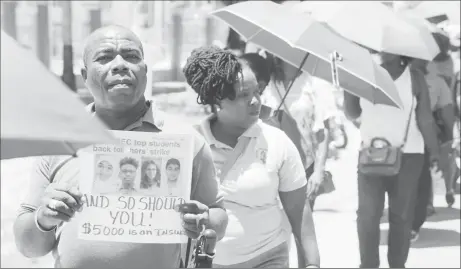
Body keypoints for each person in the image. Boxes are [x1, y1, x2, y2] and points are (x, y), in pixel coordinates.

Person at [13, 25, 228, 268]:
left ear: (145, 71)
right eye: (104, 58)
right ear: (84, 76)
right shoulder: (60, 140)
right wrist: (44, 218)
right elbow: (27, 246)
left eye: (131, 56)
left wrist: (204, 220)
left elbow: (218, 218)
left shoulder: (185, 141)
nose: (119, 65)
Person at [183, 46, 320, 268]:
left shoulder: (277, 142)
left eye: (257, 91)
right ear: (218, 101)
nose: (255, 100)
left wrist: (312, 264)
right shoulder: (190, 144)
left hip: (268, 258)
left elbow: (299, 211)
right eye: (244, 95)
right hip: (206, 262)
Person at [343, 50, 441, 268]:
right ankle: (368, 265)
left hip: (409, 156)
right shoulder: (363, 74)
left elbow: (425, 118)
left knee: (401, 217)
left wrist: (435, 152)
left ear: (401, 51)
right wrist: (347, 88)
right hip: (371, 153)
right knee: (367, 216)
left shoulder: (414, 78)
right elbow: (351, 112)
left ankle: (397, 265)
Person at [261, 54, 337, 209]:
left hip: (304, 167)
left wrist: (318, 171)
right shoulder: (268, 83)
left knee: (301, 225)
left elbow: (323, 131)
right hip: (272, 167)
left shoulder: (315, 83)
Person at [410, 58, 456, 242]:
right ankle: (417, 217)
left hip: (393, 140)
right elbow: (446, 112)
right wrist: (446, 138)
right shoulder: (436, 80)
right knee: (422, 178)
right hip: (422, 139)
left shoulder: (384, 75)